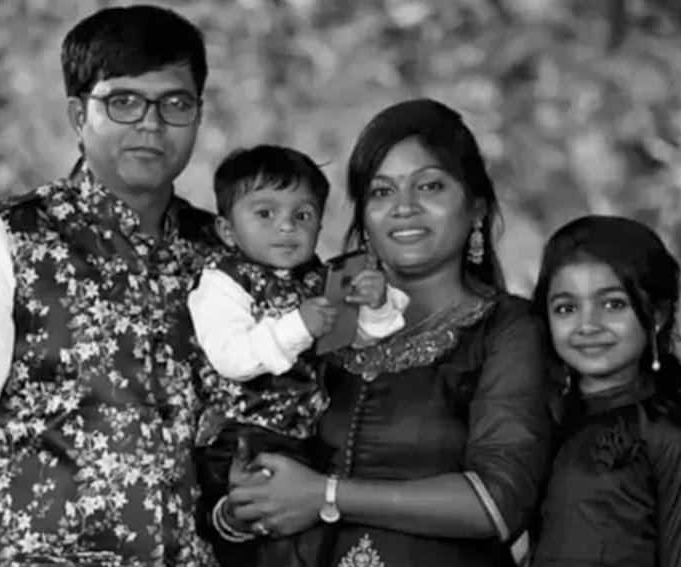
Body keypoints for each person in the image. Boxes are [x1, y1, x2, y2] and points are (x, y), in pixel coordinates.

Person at [0, 5, 220, 565]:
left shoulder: (222, 257)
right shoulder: (6, 242)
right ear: (79, 114)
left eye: (175, 103)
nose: (151, 124)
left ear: (198, 114)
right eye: (123, 102)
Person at [218, 98, 555, 567]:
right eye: (381, 192)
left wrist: (326, 495)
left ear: (476, 206)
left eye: (429, 186)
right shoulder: (316, 302)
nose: (404, 208)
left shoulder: (506, 330)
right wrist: (238, 510)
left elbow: (500, 502)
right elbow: (238, 434)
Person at [189, 144, 409, 567]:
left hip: (304, 436)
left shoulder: (318, 279)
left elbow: (357, 341)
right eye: (265, 213)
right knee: (261, 539)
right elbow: (232, 358)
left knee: (310, 536)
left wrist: (376, 305)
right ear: (227, 230)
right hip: (242, 435)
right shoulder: (223, 283)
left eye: (303, 215)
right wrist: (299, 327)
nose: (287, 226)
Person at [529, 215, 681, 567]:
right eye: (566, 308)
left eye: (613, 304)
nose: (587, 326)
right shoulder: (540, 420)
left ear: (656, 315)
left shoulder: (669, 435)